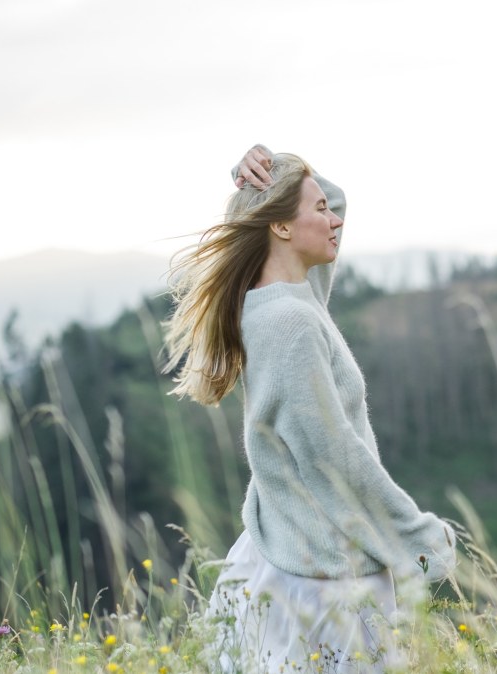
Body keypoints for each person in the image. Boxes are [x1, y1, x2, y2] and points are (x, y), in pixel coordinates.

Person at [163, 145, 457, 672]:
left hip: (284, 552)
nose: (336, 218)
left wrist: (265, 169)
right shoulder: (291, 323)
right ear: (279, 228)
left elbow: (334, 198)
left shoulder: (287, 297)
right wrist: (417, 540)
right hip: (323, 580)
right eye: (319, 210)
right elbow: (332, 458)